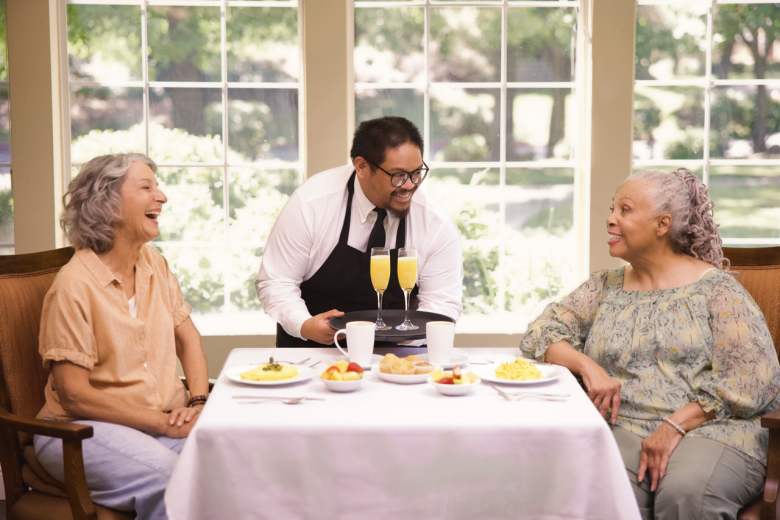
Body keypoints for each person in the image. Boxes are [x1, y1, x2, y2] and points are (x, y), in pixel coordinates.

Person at [520, 168, 780, 519]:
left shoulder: (717, 289)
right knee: (592, 488)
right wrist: (589, 367)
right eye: (613, 209)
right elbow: (541, 332)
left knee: (687, 494)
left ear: (662, 224)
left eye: (624, 210)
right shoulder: (604, 285)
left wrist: (673, 425)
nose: (610, 219)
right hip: (624, 425)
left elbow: (753, 378)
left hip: (714, 428)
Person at [33, 153, 210, 520]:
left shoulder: (154, 264)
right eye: (146, 187)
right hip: (78, 432)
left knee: (231, 464)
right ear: (107, 204)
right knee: (175, 483)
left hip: (155, 423)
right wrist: (163, 423)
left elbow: (187, 339)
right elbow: (73, 393)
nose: (161, 196)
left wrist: (198, 404)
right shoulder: (74, 286)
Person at [256, 116, 463, 347]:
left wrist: (407, 338)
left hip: (396, 356)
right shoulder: (311, 204)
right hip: (312, 349)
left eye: (416, 173)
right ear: (362, 166)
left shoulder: (435, 223)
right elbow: (276, 282)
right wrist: (304, 325)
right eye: (398, 176)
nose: (409, 185)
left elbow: (442, 303)